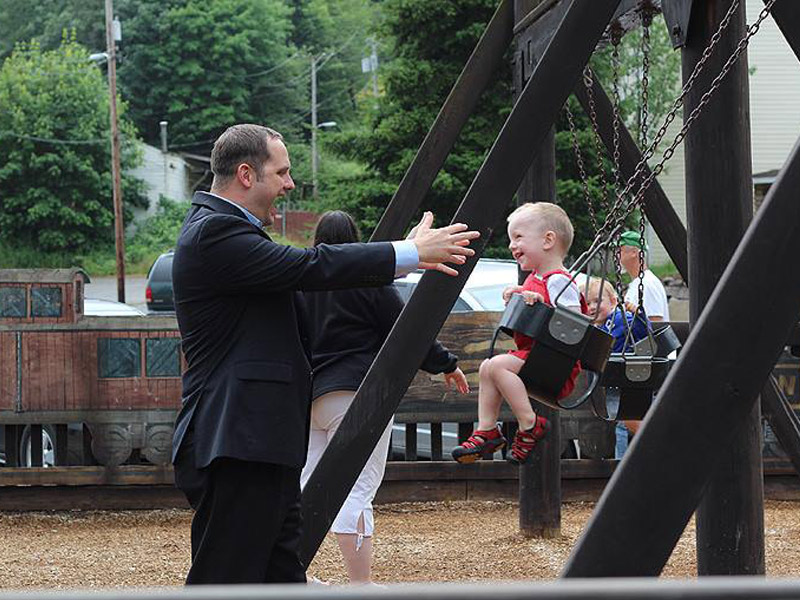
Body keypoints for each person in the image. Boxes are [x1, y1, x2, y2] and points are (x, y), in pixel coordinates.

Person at [170, 124, 479, 585]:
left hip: (259, 439)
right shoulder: (216, 232)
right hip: (239, 439)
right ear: (246, 175)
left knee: (279, 577)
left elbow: (314, 285)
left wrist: (407, 260)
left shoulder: (231, 233)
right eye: (283, 172)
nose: (290, 184)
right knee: (225, 580)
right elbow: (311, 266)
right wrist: (408, 253)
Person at [300, 210, 470, 584]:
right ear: (357, 241)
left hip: (311, 399)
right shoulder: (368, 284)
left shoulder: (303, 286)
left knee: (305, 486)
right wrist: (446, 364)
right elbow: (408, 332)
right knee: (357, 486)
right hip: (358, 396)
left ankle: (294, 575)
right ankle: (360, 584)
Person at [451, 202, 587, 466]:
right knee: (487, 366)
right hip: (536, 358)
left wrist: (542, 304)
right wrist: (520, 297)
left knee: (498, 365)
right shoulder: (535, 279)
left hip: (557, 364)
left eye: (519, 237)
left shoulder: (560, 279)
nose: (512, 245)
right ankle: (487, 430)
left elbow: (576, 324)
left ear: (548, 240)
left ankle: (530, 423)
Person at [616, 230, 671, 455]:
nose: (617, 255)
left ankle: (661, 450)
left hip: (646, 363)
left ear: (634, 253)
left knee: (627, 419)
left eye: (620, 250)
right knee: (626, 419)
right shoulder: (639, 283)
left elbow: (655, 324)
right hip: (642, 362)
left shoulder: (645, 284)